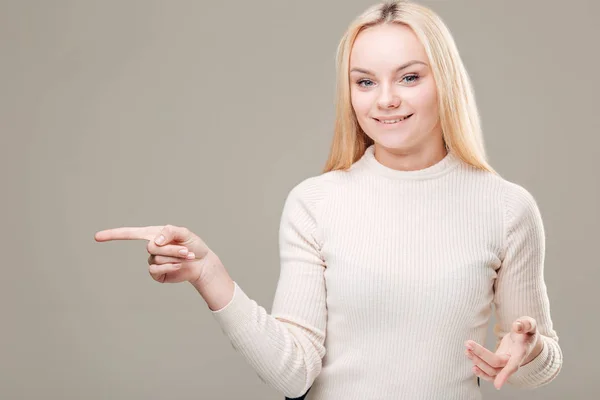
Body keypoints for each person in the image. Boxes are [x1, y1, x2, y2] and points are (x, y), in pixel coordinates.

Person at [94, 1, 563, 398]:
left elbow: (539, 362)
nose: (385, 100)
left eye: (409, 78)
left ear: (445, 81)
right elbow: (292, 372)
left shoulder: (506, 209)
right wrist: (208, 273)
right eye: (365, 82)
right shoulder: (315, 203)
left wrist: (532, 348)